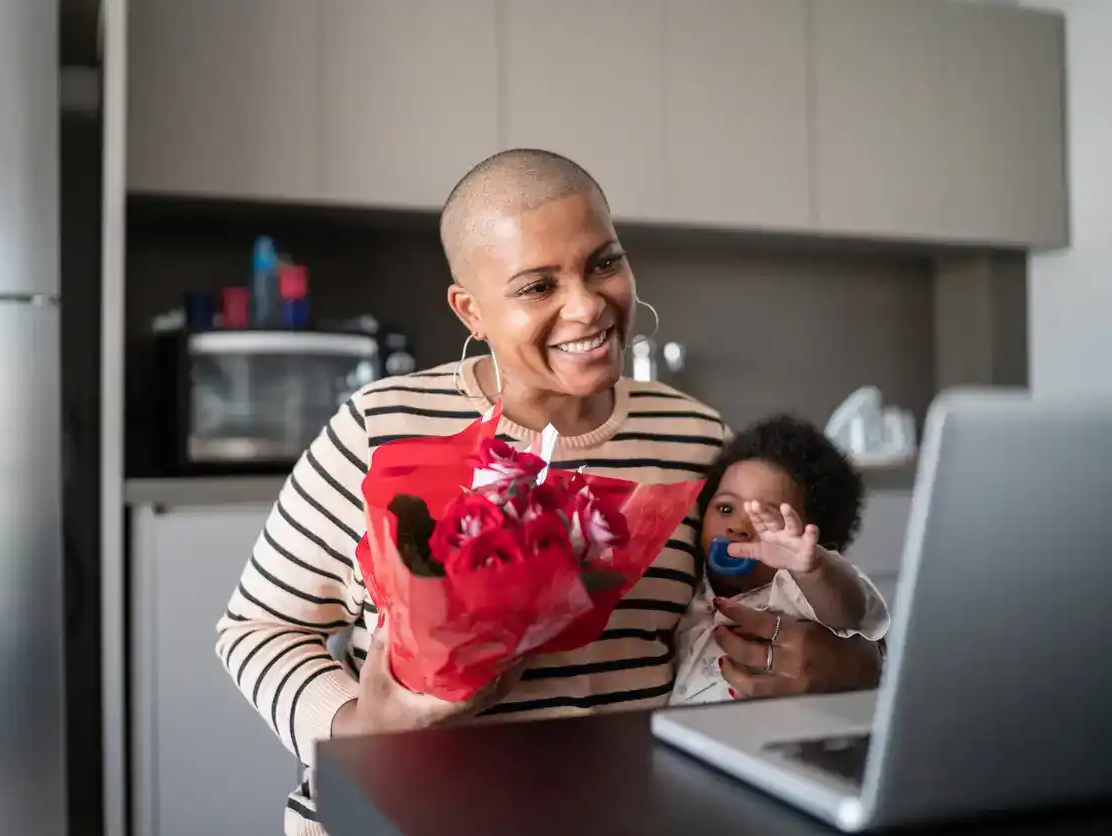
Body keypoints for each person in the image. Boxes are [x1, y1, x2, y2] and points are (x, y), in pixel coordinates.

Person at [215, 149, 886, 836]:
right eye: (538, 287)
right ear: (470, 309)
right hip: (403, 814)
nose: (588, 305)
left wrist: (852, 665)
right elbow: (257, 628)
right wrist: (355, 725)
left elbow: (777, 600)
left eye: (604, 262)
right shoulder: (380, 425)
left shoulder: (696, 434)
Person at [669, 414, 891, 706]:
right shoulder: (695, 586)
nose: (738, 527)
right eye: (725, 508)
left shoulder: (797, 588)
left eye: (766, 521)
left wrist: (814, 567)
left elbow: (850, 611)